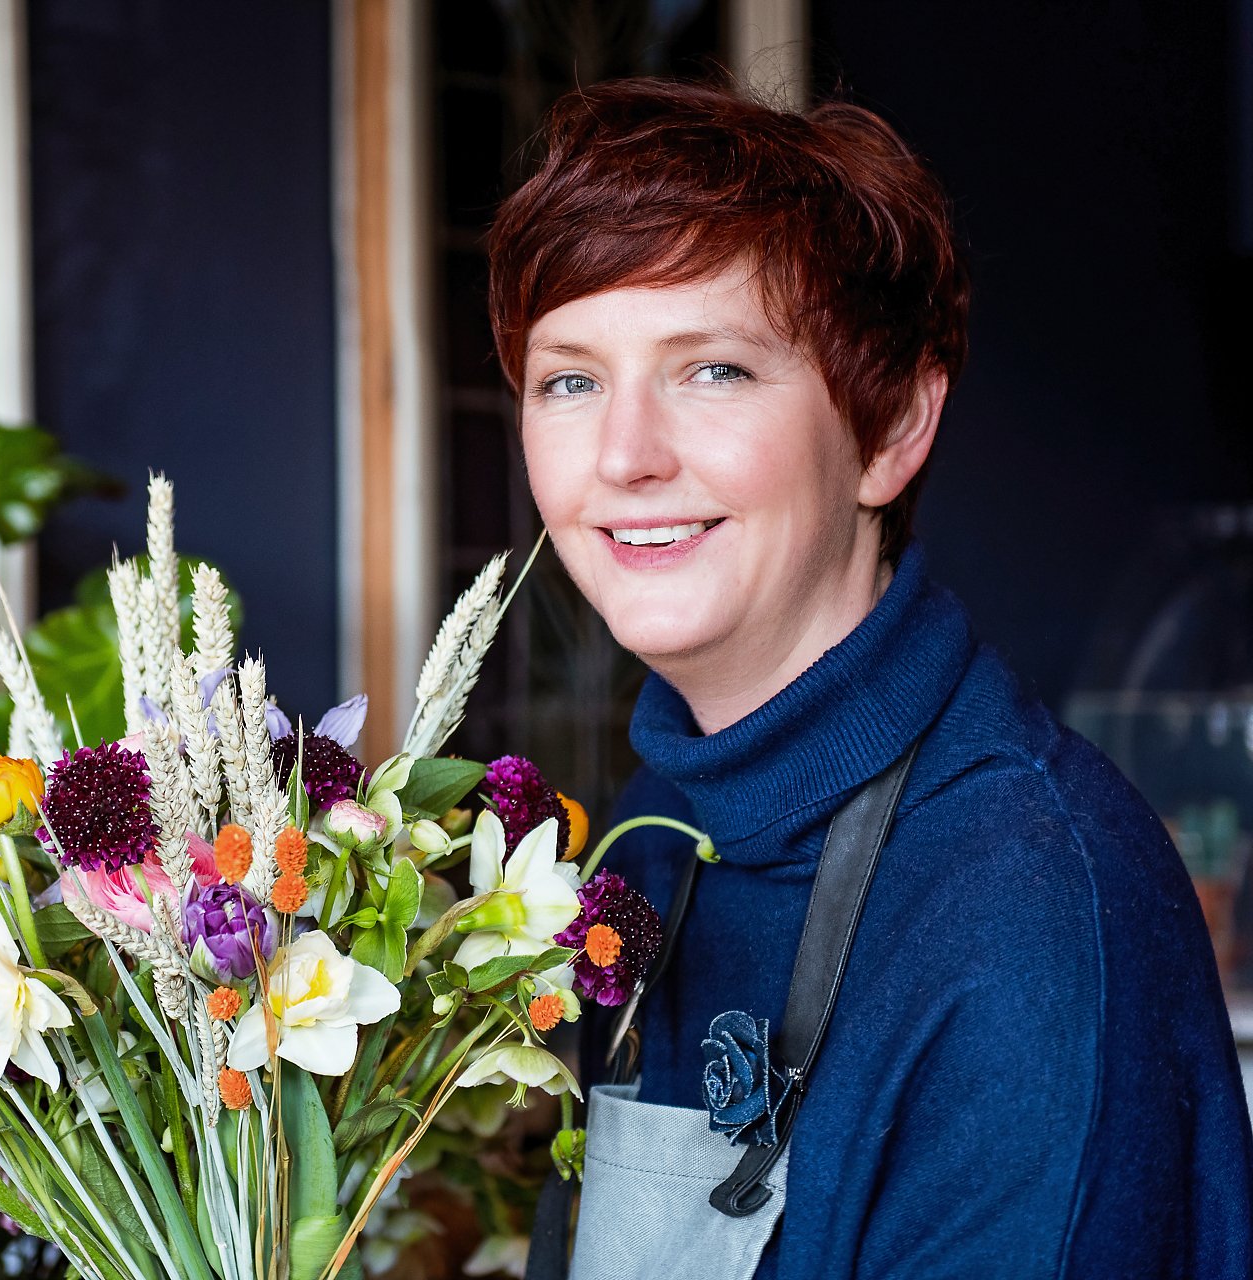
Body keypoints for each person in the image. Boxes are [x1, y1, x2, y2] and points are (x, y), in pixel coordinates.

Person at [489, 79, 1253, 1279]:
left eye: (714, 370)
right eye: (571, 379)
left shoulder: (1031, 906)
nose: (625, 455)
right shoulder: (644, 851)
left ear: (892, 424)